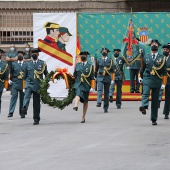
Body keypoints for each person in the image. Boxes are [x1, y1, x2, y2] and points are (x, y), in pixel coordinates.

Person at [138, 39, 167, 125]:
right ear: (150, 46)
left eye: (156, 44)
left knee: (155, 101)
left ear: (158, 46)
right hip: (147, 78)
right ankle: (144, 106)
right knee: (145, 92)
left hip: (157, 80)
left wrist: (164, 84)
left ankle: (154, 119)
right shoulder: (146, 56)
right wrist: (140, 76)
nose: (154, 45)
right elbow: (142, 68)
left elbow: (164, 72)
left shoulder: (162, 58)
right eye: (152, 44)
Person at [21, 48, 48, 125]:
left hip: (38, 85)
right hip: (29, 84)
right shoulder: (27, 64)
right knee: (26, 96)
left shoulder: (42, 63)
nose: (34, 54)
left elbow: (46, 74)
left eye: (35, 53)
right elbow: (24, 76)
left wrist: (45, 85)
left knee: (36, 103)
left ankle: (36, 118)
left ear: (38, 54)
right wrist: (24, 86)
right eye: (32, 53)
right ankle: (24, 108)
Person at [73, 51, 95, 123]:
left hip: (86, 85)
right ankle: (75, 105)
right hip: (79, 84)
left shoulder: (90, 66)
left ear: (86, 56)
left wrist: (93, 87)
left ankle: (83, 116)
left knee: (85, 101)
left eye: (84, 55)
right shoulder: (77, 65)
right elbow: (74, 75)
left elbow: (92, 77)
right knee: (78, 93)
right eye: (81, 55)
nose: (82, 56)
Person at [8, 51, 27, 118]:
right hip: (15, 82)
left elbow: (27, 74)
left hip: (23, 83)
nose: (19, 55)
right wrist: (9, 79)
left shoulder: (26, 64)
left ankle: (22, 113)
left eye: (21, 54)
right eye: (18, 54)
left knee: (22, 98)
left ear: (23, 56)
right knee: (13, 97)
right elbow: (10, 72)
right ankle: (11, 112)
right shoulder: (13, 64)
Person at [95, 48, 114, 113]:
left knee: (106, 93)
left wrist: (113, 79)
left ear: (107, 53)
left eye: (105, 51)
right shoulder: (98, 60)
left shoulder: (110, 60)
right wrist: (95, 78)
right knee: (99, 90)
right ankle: (99, 102)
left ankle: (106, 107)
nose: (104, 52)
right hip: (100, 77)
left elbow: (112, 70)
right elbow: (96, 69)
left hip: (107, 77)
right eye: (103, 51)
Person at [162, 44, 170, 119]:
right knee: (167, 97)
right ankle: (166, 113)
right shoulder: (161, 58)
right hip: (165, 81)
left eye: (166, 50)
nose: (165, 51)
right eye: (164, 49)